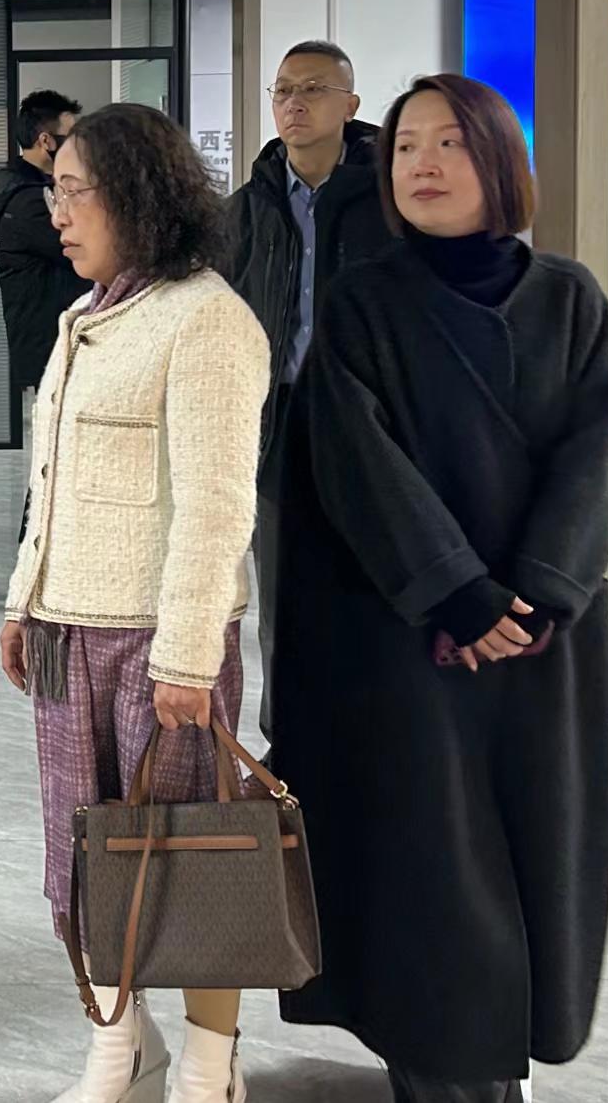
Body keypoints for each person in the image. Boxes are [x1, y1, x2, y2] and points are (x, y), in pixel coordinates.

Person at [268, 74, 608, 1103]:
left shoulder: (568, 299)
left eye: (448, 144)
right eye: (405, 147)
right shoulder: (361, 303)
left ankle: (497, 1061)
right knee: (432, 877)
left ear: (499, 158)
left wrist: (537, 593)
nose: (420, 164)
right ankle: (444, 1074)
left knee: (533, 855)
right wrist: (455, 594)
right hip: (408, 642)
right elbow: (356, 463)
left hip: (542, 648)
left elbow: (589, 456)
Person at [0, 104, 268, 1103]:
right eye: (54, 191)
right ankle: (118, 1046)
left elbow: (216, 504)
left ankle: (210, 1067)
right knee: (84, 863)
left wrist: (189, 656)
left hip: (162, 649)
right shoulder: (85, 316)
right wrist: (24, 600)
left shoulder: (207, 320)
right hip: (69, 635)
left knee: (192, 864)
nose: (57, 214)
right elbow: (52, 480)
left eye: (75, 192)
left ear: (138, 196)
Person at [220, 40, 394, 739]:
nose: (294, 103)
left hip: (370, 422)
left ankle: (373, 745)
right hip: (277, 421)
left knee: (372, 587)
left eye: (313, 89)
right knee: (284, 595)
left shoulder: (390, 204)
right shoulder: (245, 211)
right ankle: (288, 749)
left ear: (350, 105)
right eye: (284, 90)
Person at [0, 89, 92, 419]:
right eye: (70, 136)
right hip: (46, 332)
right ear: (46, 140)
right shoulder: (27, 199)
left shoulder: (34, 187)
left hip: (53, 326)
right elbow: (78, 249)